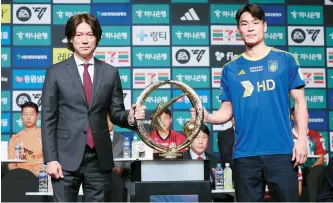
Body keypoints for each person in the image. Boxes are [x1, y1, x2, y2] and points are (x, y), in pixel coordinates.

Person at [191, 4, 308, 201]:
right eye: (244, 24)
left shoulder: (285, 60)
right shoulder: (230, 69)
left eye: (255, 23)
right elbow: (226, 110)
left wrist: (302, 140)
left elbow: (300, 103)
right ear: (238, 30)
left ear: (265, 26)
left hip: (281, 153)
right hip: (245, 156)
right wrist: (207, 117)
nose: (250, 28)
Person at [41, 13, 145, 202]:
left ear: (97, 37)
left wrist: (130, 118)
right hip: (64, 157)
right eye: (79, 35)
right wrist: (50, 159)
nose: (84, 40)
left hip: (99, 157)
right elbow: (48, 119)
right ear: (71, 38)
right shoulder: (55, 73)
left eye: (89, 34)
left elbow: (116, 113)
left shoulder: (110, 72)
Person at [8, 102, 43, 177]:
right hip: (22, 177)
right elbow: (11, 165)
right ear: (21, 116)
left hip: (44, 175)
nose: (28, 118)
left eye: (31, 114)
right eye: (25, 114)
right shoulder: (15, 139)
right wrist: (22, 174)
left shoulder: (45, 135)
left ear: (37, 116)